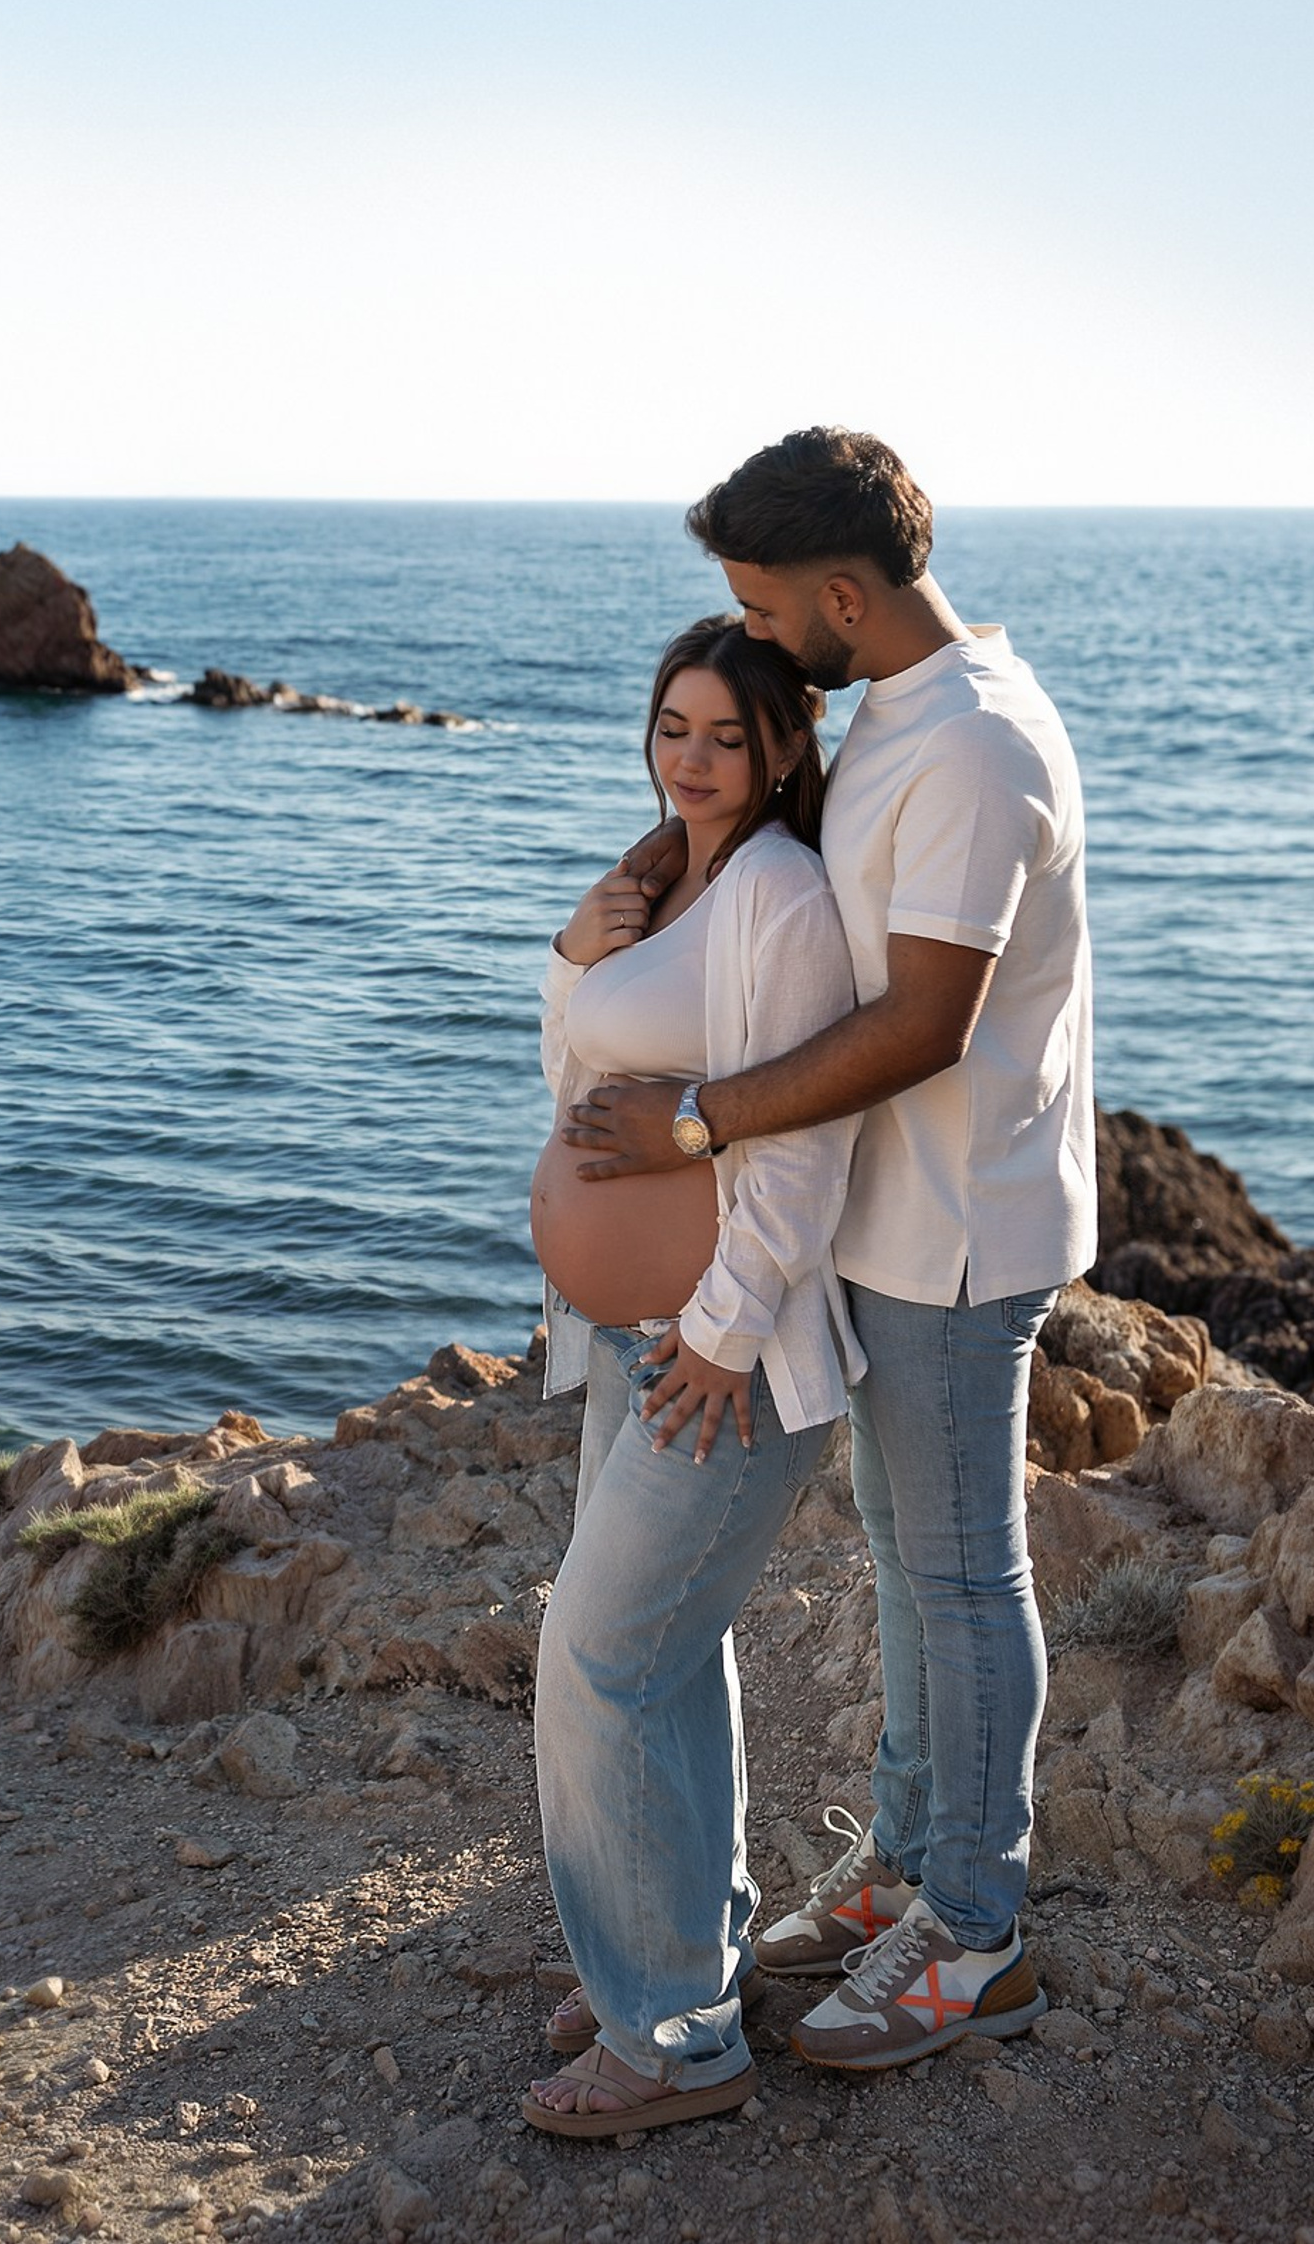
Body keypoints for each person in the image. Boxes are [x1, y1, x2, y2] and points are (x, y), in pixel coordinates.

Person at [567, 426, 1090, 2071]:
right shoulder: (896, 718)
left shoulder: (976, 749)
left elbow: (927, 1021)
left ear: (843, 595)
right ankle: (906, 1867)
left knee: (958, 1574)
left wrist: (700, 1122)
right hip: (881, 1222)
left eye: (764, 606)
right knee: (903, 1558)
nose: (755, 630)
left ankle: (977, 1930)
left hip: (955, 1234)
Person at [520, 613, 864, 2134]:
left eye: (728, 735)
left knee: (601, 1662)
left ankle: (671, 2042)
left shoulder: (780, 896)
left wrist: (720, 1335)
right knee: (665, 1661)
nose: (696, 759)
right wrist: (572, 953)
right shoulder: (664, 881)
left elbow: (803, 1147)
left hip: (714, 1353)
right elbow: (576, 1082)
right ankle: (678, 1960)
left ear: (783, 745)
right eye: (674, 727)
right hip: (628, 1341)